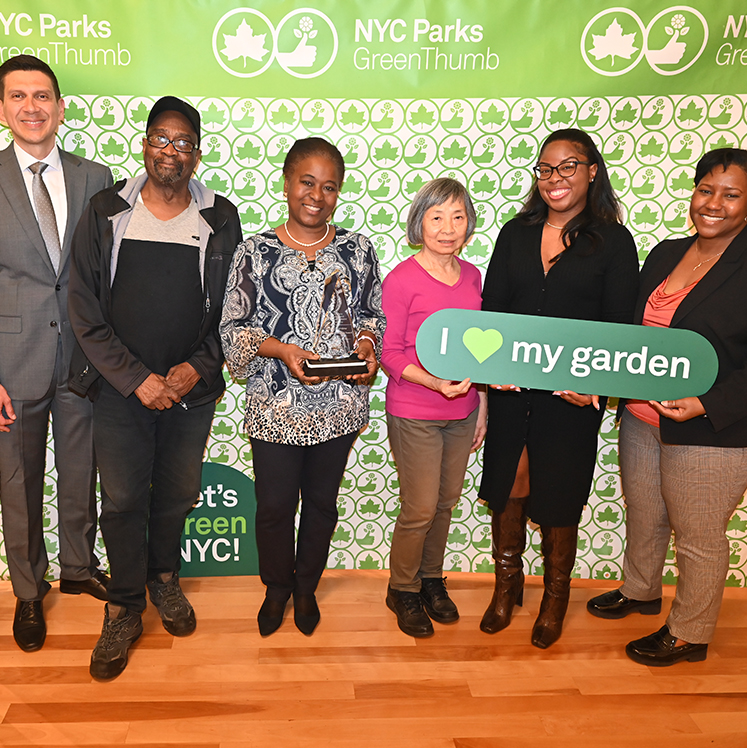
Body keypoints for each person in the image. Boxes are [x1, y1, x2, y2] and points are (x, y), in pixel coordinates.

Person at [587, 148, 747, 666]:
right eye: (706, 189)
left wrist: (705, 403)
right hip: (643, 417)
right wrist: (599, 381)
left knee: (698, 535)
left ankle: (690, 632)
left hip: (715, 430)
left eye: (731, 194)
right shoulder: (666, 252)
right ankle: (641, 590)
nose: (714, 203)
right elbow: (636, 337)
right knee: (646, 514)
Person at [68, 96, 242, 680]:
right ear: (144, 145)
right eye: (160, 139)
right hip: (122, 389)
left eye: (183, 142)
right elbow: (84, 308)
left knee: (176, 493)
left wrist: (198, 365)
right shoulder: (105, 210)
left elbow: (232, 309)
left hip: (191, 389)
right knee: (120, 500)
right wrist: (136, 378)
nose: (171, 151)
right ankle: (123, 605)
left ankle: (163, 578)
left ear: (197, 151)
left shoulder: (220, 216)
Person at [0, 55, 113, 653]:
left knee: (80, 474)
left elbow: (103, 276)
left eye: (42, 96)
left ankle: (77, 566)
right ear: (0, 107)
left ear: (60, 107)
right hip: (10, 367)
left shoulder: (96, 178)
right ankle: (25, 590)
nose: (32, 107)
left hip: (81, 359)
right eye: (18, 96)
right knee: (18, 484)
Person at [477, 128, 639, 648]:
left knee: (560, 493)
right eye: (545, 169)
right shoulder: (515, 233)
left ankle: (554, 598)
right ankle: (506, 590)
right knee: (511, 483)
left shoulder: (613, 241)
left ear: (592, 171)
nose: (555, 179)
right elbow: (492, 313)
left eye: (568, 166)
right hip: (512, 393)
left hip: (571, 399)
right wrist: (490, 366)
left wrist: (597, 385)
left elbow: (619, 326)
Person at [221, 137, 385, 638]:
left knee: (321, 503)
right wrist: (281, 350)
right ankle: (276, 588)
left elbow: (371, 316)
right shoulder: (254, 252)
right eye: (307, 182)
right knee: (273, 506)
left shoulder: (357, 250)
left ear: (339, 192)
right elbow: (233, 331)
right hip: (276, 404)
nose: (317, 195)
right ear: (288, 183)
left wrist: (366, 347)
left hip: (338, 404)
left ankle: (307, 587)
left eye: (329, 187)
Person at [381, 178, 487, 637]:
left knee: (444, 504)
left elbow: (482, 353)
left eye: (458, 217)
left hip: (462, 414)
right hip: (414, 411)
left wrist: (479, 405)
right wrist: (434, 383)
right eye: (437, 216)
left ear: (469, 225)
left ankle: (430, 580)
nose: (448, 228)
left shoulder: (474, 277)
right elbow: (390, 352)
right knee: (420, 508)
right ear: (419, 222)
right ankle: (401, 589)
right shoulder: (402, 279)